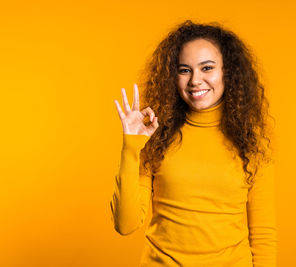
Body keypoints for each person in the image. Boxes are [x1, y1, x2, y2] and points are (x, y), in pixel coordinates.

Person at [110, 20, 277, 267]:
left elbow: (263, 235)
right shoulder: (156, 137)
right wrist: (131, 147)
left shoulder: (250, 142)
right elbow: (125, 225)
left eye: (207, 68)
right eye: (184, 70)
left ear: (227, 71)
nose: (195, 80)